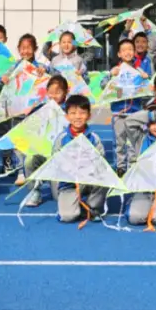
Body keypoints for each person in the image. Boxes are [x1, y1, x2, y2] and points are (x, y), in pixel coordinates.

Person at [51, 95, 107, 224]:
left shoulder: (94, 138)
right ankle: (75, 205)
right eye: (73, 113)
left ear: (89, 115)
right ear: (67, 116)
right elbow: (54, 161)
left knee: (104, 176)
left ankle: (92, 208)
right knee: (68, 217)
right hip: (69, 183)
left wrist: (88, 167)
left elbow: (102, 161)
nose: (78, 117)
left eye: (82, 113)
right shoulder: (62, 138)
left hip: (89, 178)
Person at [20, 74, 71, 199]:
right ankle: (34, 191)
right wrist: (29, 113)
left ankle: (66, 186)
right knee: (29, 160)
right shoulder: (41, 109)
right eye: (51, 92)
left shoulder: (70, 110)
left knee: (58, 197)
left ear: (65, 92)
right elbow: (28, 127)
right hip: (43, 153)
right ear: (47, 92)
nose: (53, 96)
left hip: (61, 157)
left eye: (58, 92)